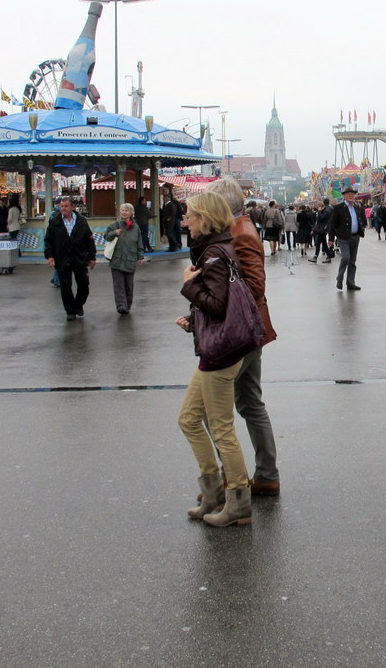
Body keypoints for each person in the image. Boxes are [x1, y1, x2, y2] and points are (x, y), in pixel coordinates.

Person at [174, 192, 252, 527]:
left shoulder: (215, 254)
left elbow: (218, 305)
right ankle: (214, 489)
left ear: (203, 218)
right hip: (217, 348)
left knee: (221, 428)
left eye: (190, 216)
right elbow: (220, 303)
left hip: (219, 353)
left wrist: (189, 286)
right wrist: (193, 318)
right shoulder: (216, 250)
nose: (185, 222)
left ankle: (237, 501)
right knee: (189, 419)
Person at [207, 177, 280, 496]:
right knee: (250, 403)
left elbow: (254, 286)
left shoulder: (241, 233)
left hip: (239, 332)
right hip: (249, 330)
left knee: (213, 409)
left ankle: (231, 480)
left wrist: (216, 305)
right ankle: (265, 475)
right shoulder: (237, 229)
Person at [44, 196, 96, 321]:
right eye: (61, 206)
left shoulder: (81, 221)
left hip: (79, 258)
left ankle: (77, 305)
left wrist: (92, 257)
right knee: (65, 287)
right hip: (62, 259)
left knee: (84, 284)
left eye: (66, 206)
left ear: (73, 207)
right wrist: (50, 256)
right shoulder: (54, 221)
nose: (64, 209)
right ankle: (70, 312)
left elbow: (89, 240)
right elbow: (48, 240)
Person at [103, 202, 146, 314]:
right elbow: (106, 237)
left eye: (126, 210)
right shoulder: (115, 225)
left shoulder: (136, 228)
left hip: (130, 259)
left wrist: (140, 255)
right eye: (122, 210)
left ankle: (128, 304)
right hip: (117, 260)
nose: (124, 212)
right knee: (118, 285)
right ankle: (121, 306)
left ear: (131, 213)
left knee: (129, 285)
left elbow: (139, 243)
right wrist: (114, 233)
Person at [327, 185, 364, 290]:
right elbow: (332, 224)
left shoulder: (357, 207)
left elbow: (360, 219)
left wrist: (361, 229)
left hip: (355, 237)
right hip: (343, 237)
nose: (351, 195)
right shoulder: (339, 208)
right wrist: (330, 239)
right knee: (346, 257)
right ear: (344, 196)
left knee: (352, 261)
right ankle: (339, 279)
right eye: (348, 194)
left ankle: (350, 282)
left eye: (352, 194)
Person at [309, 198, 333, 263]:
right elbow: (318, 222)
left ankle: (316, 257)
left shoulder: (326, 211)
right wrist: (314, 230)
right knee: (323, 244)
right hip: (321, 230)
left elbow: (322, 219)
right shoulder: (324, 211)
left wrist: (319, 211)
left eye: (318, 207)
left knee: (319, 243)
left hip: (323, 230)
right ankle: (328, 256)